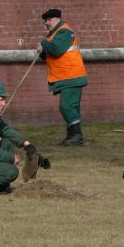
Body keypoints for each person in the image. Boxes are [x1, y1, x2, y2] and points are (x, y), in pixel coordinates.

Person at [37, 9, 88, 145]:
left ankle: (76, 136)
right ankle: (72, 136)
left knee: (66, 106)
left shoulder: (64, 32)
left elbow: (56, 49)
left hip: (71, 76)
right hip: (67, 76)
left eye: (48, 20)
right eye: (45, 21)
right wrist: (43, 51)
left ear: (57, 19)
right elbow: (51, 53)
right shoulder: (54, 35)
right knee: (71, 107)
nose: (46, 23)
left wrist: (43, 43)